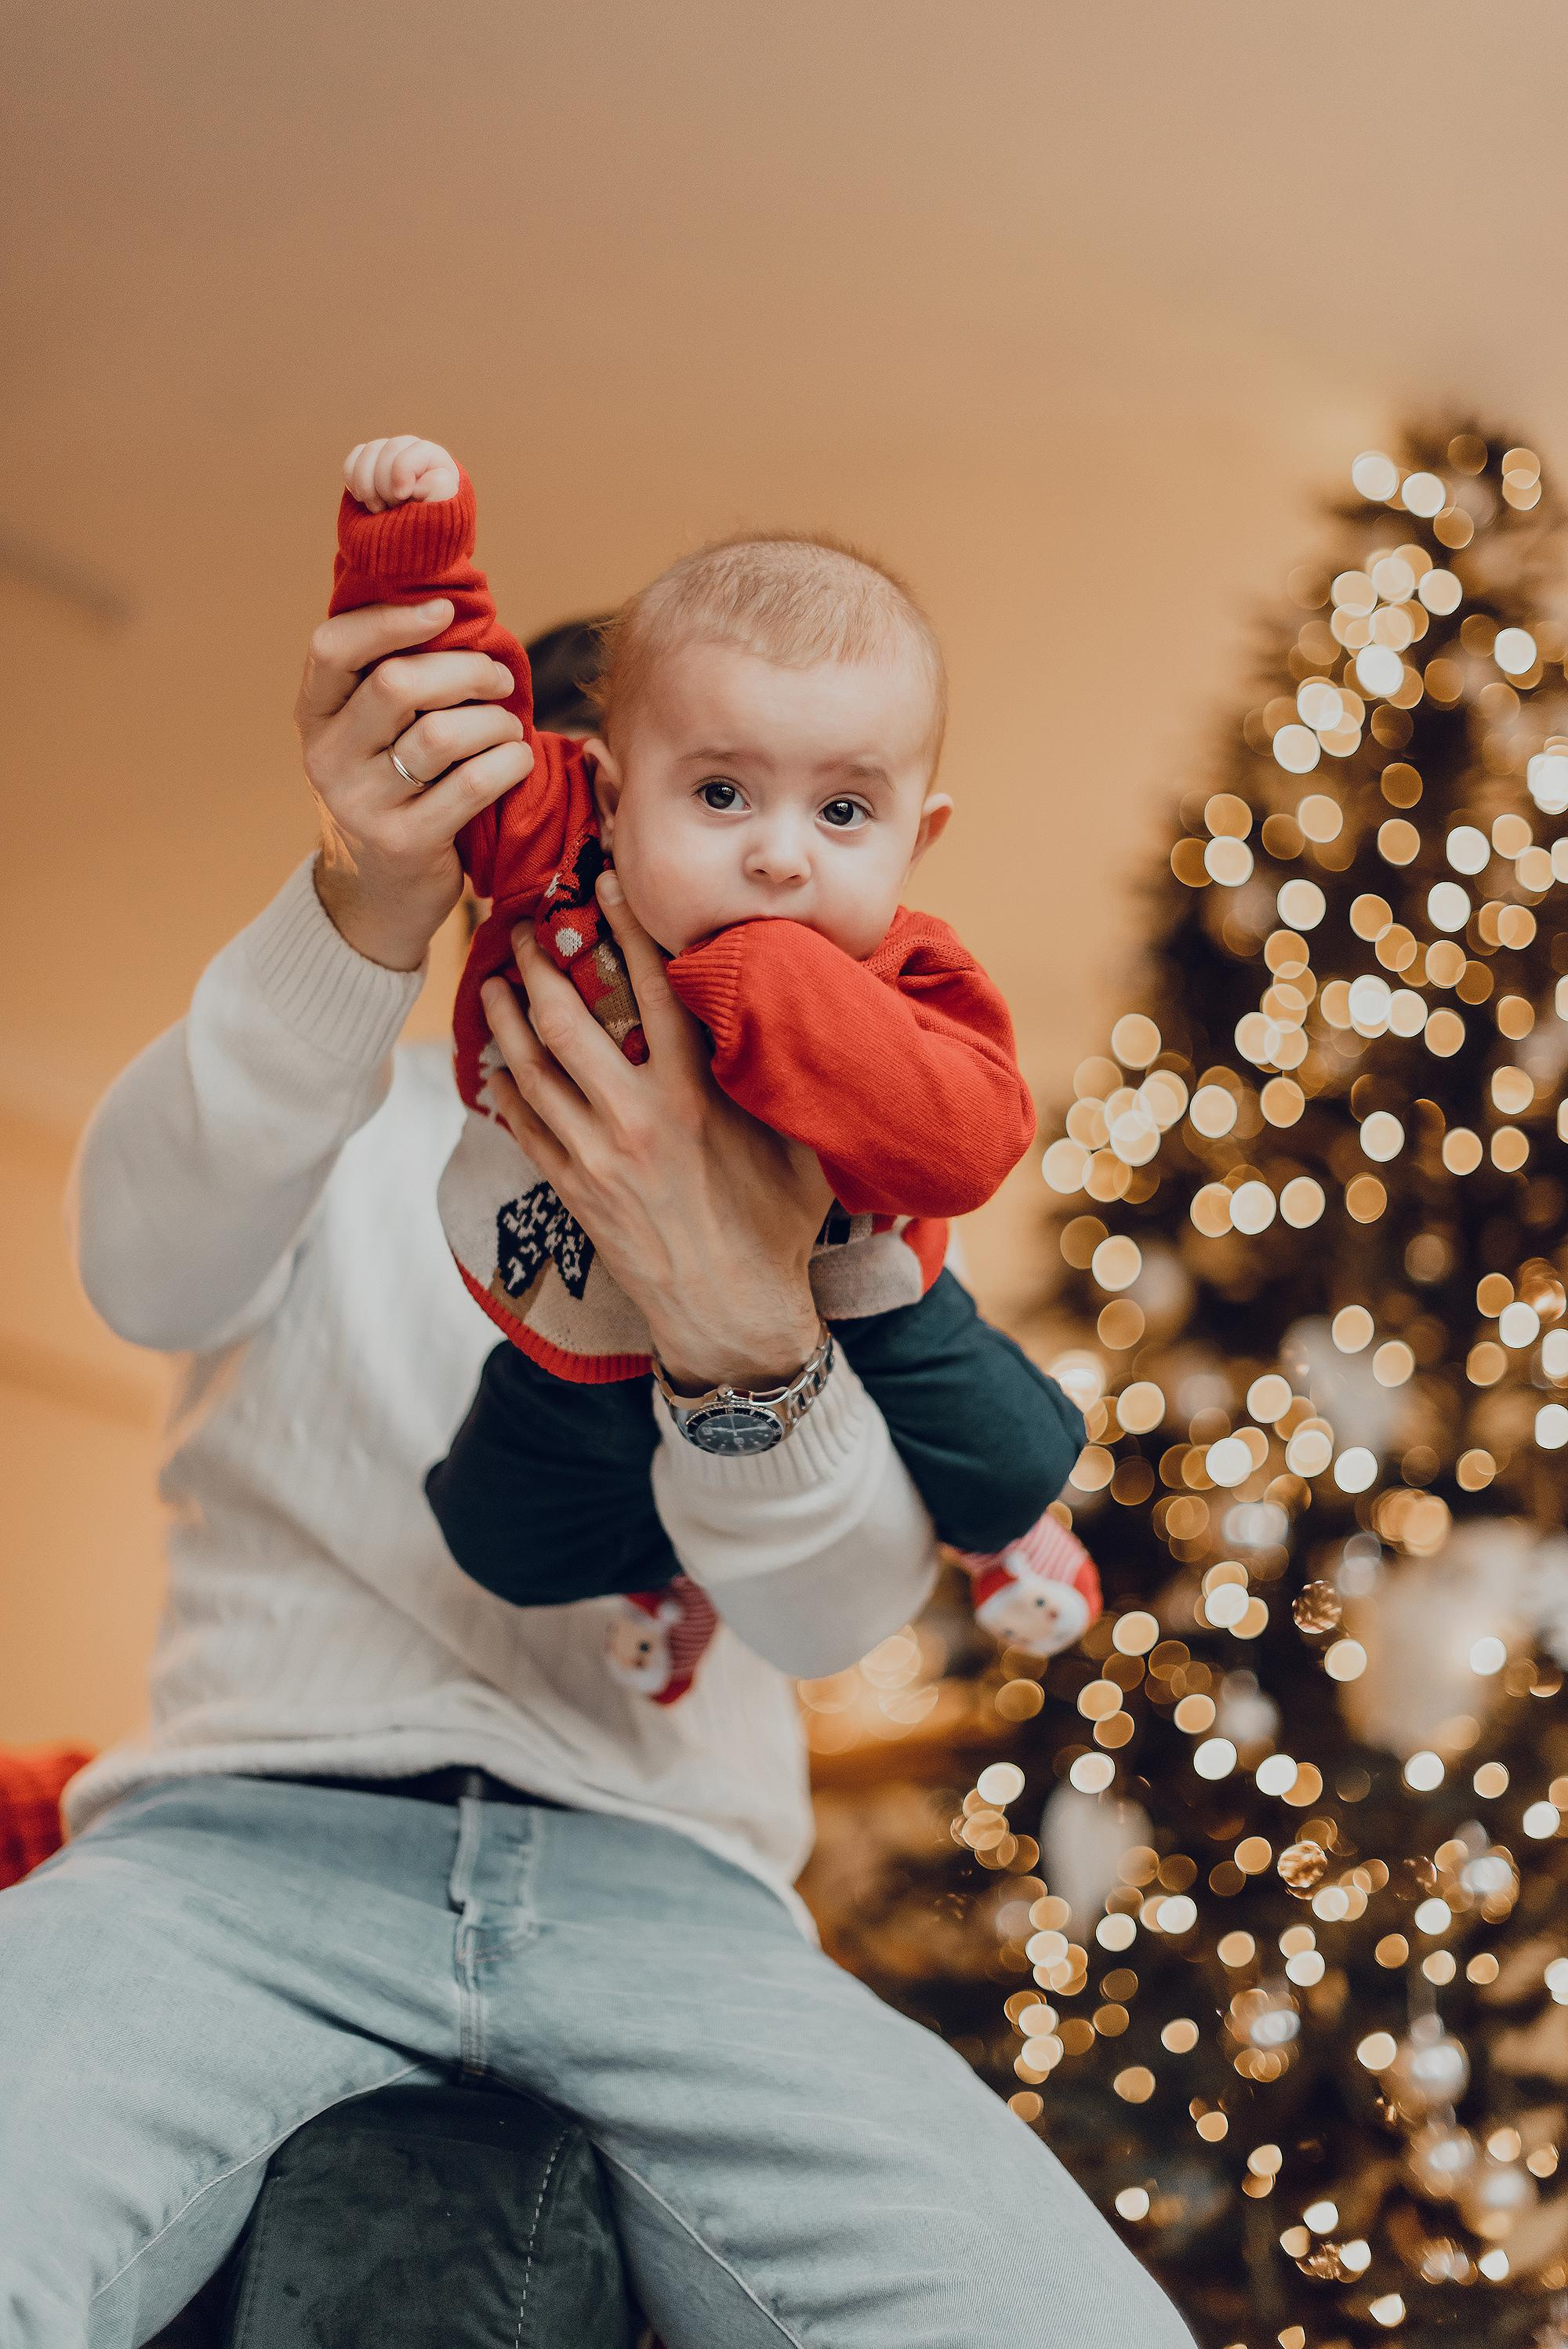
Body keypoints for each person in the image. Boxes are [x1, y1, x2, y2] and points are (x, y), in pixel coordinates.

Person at [0, 597, 1195, 2349]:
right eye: (690, 802)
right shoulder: (332, 1111)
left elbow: (830, 1610)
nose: (737, 872)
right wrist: (358, 901)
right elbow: (140, 1265)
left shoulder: (835, 1190)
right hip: (234, 1852)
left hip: (679, 1907)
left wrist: (737, 1312)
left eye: (812, 812)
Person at [332, 436, 1102, 1697]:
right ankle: (665, 1573)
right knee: (496, 1533)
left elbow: (971, 1143)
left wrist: (768, 980)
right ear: (609, 799)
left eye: (843, 812)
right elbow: (447, 717)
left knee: (1014, 1454)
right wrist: (408, 542)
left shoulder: (909, 968)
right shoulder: (557, 877)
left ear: (917, 842)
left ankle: (998, 1535)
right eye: (723, 795)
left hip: (851, 1285)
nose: (781, 856)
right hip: (580, 1287)